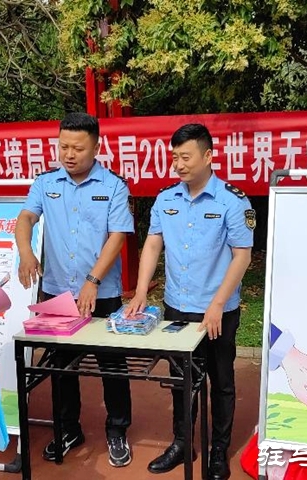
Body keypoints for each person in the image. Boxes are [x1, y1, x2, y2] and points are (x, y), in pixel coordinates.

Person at [124, 123, 254, 480]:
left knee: (221, 381)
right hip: (177, 308)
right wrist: (140, 290)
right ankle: (182, 442)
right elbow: (153, 243)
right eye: (175, 158)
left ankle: (218, 451)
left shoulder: (232, 200)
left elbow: (242, 256)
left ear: (208, 156)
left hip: (218, 311)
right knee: (182, 379)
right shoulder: (167, 199)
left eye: (186, 157)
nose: (179, 165)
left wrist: (217, 303)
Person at [15, 112, 134, 468]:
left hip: (102, 293)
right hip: (57, 291)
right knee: (61, 366)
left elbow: (117, 236)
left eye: (78, 148)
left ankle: (117, 430)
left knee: (112, 365)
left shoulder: (113, 186)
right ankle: (68, 428)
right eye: (63, 146)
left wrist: (92, 280)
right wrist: (26, 252)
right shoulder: (46, 183)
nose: (69, 154)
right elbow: (26, 218)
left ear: (96, 148)